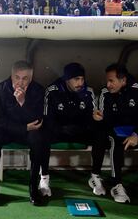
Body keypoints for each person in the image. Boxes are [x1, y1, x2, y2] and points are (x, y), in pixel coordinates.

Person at [93, 63, 138, 204]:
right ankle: (116, 184)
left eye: (111, 81)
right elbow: (104, 120)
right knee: (115, 139)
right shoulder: (105, 93)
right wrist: (98, 118)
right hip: (117, 130)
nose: (108, 84)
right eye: (107, 80)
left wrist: (136, 134)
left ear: (123, 80)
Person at [39, 63, 107, 197]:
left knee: (100, 133)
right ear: (66, 79)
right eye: (76, 79)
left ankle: (95, 177)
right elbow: (47, 118)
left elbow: (91, 116)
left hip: (79, 130)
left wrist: (95, 118)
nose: (80, 83)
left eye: (82, 79)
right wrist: (62, 128)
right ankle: (44, 178)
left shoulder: (88, 91)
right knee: (42, 134)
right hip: (58, 130)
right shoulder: (52, 91)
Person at [0, 60, 45, 206]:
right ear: (12, 76)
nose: (21, 82)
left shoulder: (38, 90)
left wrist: (22, 102)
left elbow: (37, 121)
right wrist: (23, 127)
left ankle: (33, 186)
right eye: (17, 77)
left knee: (38, 139)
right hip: (8, 131)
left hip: (29, 132)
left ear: (31, 78)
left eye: (25, 78)